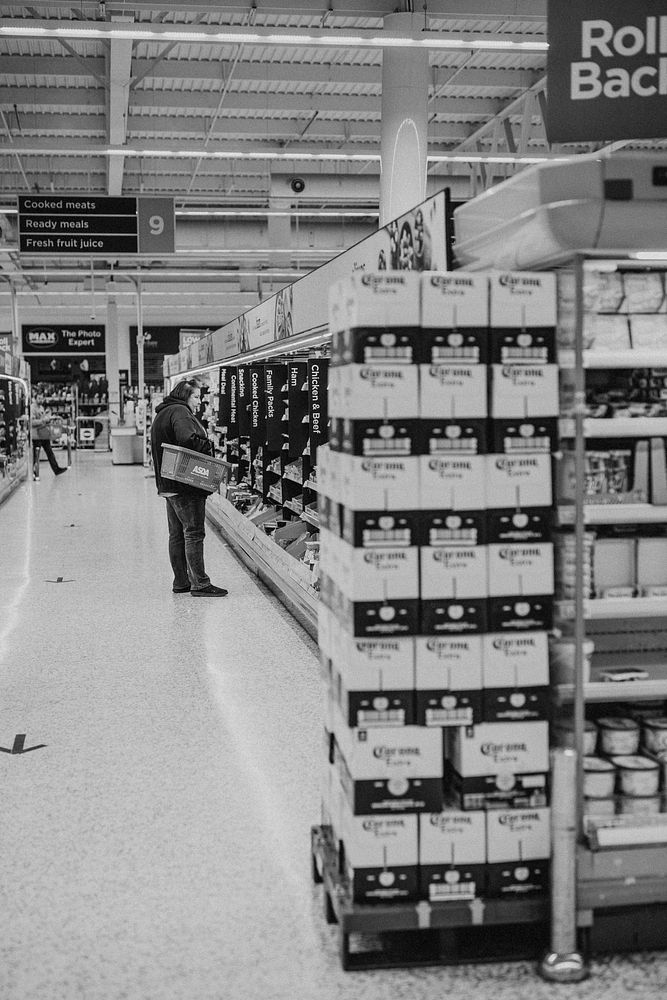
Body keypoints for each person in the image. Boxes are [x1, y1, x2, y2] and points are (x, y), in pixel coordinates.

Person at [150, 379, 228, 598]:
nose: (199, 401)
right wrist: (208, 442)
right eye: (196, 396)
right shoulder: (180, 412)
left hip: (168, 484)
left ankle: (181, 581)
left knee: (176, 534)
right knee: (194, 532)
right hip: (185, 484)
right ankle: (200, 583)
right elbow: (188, 439)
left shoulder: (163, 412)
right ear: (185, 396)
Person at [30, 391, 67, 480]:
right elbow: (32, 422)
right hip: (36, 435)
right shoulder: (32, 408)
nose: (41, 400)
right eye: (39, 398)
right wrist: (43, 420)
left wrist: (47, 418)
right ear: (35, 398)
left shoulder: (42, 407)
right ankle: (35, 473)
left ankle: (56, 469)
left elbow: (43, 419)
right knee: (36, 456)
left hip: (43, 433)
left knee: (50, 452)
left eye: (42, 398)